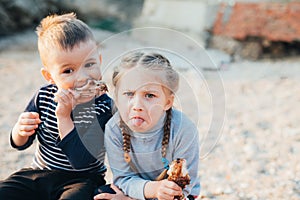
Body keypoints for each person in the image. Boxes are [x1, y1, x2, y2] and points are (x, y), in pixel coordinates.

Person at [0, 12, 126, 200]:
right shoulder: (43, 96)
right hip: (39, 173)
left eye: (89, 64)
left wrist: (64, 117)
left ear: (99, 61)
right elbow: (21, 144)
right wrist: (20, 131)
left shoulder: (104, 108)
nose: (83, 77)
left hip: (82, 179)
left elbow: (81, 161)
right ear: (50, 76)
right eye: (68, 71)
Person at [96, 52, 200, 200]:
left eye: (149, 95)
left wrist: (160, 191)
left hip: (174, 193)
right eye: (129, 94)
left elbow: (184, 186)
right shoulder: (114, 129)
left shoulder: (183, 129)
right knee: (101, 195)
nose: (137, 105)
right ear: (117, 99)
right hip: (136, 189)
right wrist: (150, 190)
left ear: (167, 102)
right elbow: (123, 178)